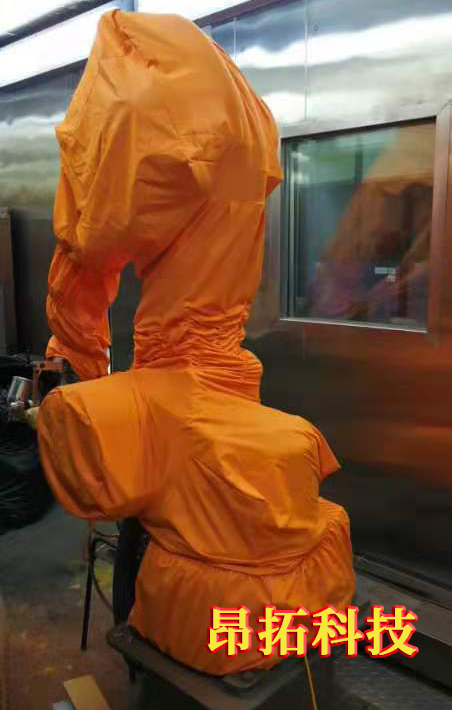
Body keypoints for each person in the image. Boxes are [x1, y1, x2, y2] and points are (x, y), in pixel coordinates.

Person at [36, 10, 355, 675]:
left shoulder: (149, 114)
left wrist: (80, 359)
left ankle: (146, 657)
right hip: (226, 366)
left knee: (153, 511)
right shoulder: (248, 123)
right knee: (206, 502)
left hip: (175, 364)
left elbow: (88, 247)